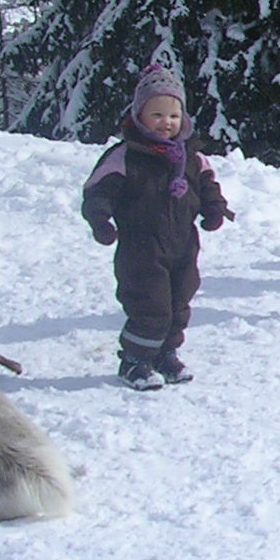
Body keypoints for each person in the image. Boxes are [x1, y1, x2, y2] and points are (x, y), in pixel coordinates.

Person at [82, 64, 234, 389]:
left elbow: (208, 185)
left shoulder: (191, 157)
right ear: (139, 116)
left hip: (183, 243)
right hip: (141, 246)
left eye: (173, 116)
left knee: (179, 300)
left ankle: (166, 354)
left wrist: (214, 209)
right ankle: (135, 360)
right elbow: (98, 191)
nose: (166, 123)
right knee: (149, 303)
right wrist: (100, 220)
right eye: (157, 115)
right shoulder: (126, 156)